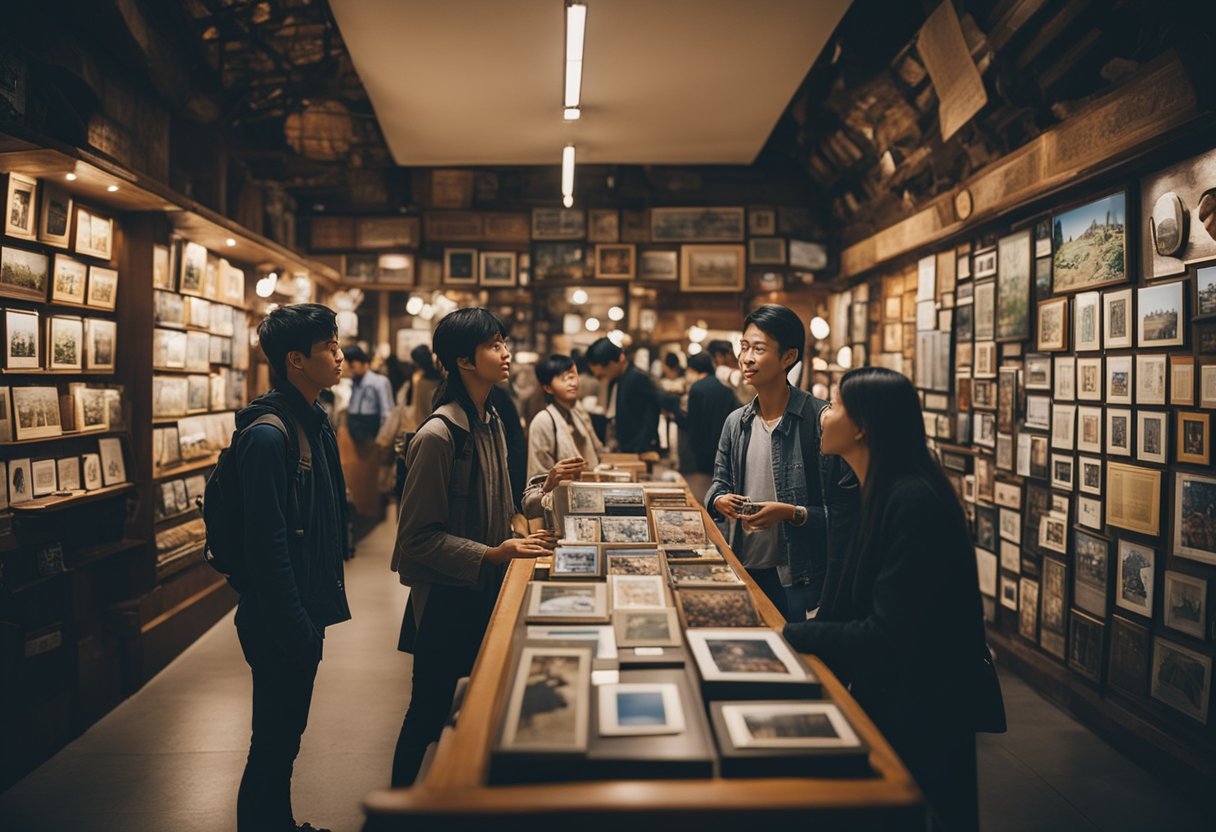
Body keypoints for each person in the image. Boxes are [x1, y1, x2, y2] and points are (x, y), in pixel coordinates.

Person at [784, 366, 1002, 832]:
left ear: (863, 426)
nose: (824, 416)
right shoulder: (882, 489)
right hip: (905, 693)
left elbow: (887, 633)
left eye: (837, 405)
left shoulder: (911, 501)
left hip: (925, 703)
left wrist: (790, 634)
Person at [390, 307, 555, 787]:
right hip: (446, 598)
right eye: (493, 346)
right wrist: (493, 553)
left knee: (477, 706)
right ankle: (394, 811)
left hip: (484, 591)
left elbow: (505, 504)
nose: (506, 353)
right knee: (427, 712)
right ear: (464, 360)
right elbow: (415, 538)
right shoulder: (440, 435)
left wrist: (534, 510)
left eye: (505, 342)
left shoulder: (490, 420)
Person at [232, 303, 351, 832]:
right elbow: (267, 543)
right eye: (329, 346)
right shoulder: (269, 434)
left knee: (284, 737)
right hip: (281, 615)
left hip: (301, 609)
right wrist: (298, 622)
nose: (340, 355)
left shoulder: (311, 419)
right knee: (273, 741)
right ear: (296, 360)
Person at [705, 305, 858, 622]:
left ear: (789, 357)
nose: (746, 358)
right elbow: (718, 483)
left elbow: (849, 517)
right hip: (747, 564)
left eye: (758, 349)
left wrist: (792, 514)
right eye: (744, 347)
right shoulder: (737, 422)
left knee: (808, 664)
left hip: (802, 576)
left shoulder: (820, 421)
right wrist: (719, 499)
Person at [527, 353, 604, 479]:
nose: (572, 383)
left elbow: (597, 451)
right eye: (563, 378)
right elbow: (538, 478)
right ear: (548, 388)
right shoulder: (543, 421)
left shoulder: (578, 413)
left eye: (573, 375)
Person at [675, 351, 738, 503]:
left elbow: (693, 423)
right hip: (723, 450)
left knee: (700, 499)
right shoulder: (727, 390)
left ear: (693, 369)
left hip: (700, 455)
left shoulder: (697, 388)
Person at [341, 346, 394, 518]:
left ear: (365, 363)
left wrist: (383, 438)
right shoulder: (354, 382)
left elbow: (387, 411)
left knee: (372, 473)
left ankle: (372, 510)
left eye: (353, 363)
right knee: (357, 473)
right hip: (355, 429)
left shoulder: (379, 381)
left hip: (371, 431)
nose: (350, 367)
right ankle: (360, 508)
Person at [585, 337, 659, 454]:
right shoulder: (618, 379)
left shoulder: (636, 377)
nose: (600, 379)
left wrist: (641, 446)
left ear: (613, 363)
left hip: (638, 452)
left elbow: (654, 407)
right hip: (626, 449)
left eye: (601, 375)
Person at [408, 343, 442, 428]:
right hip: (438, 421)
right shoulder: (441, 376)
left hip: (422, 422)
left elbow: (417, 404)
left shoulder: (418, 378)